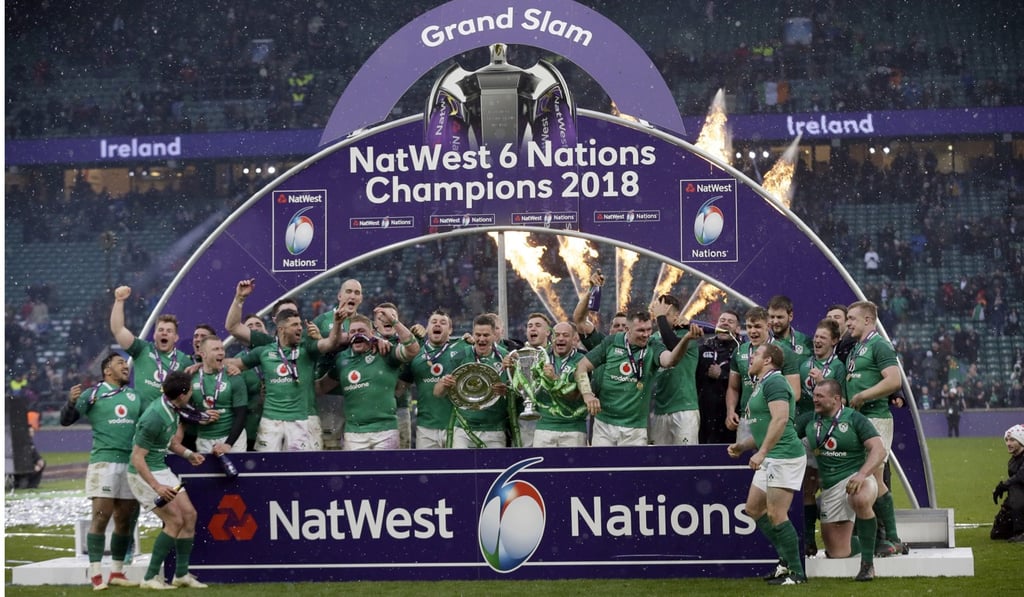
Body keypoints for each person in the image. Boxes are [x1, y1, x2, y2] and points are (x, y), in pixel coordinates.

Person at [60, 353, 143, 590]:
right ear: (107, 370)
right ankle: (96, 574)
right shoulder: (92, 394)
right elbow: (66, 420)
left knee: (124, 519)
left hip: (129, 463)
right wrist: (70, 402)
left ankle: (117, 572)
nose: (125, 367)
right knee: (100, 516)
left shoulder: (134, 395)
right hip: (104, 462)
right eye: (120, 364)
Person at [727, 344, 807, 585]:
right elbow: (765, 426)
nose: (751, 357)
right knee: (752, 509)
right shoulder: (762, 383)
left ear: (768, 360)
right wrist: (744, 446)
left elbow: (781, 419)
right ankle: (784, 562)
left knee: (776, 513)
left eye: (756, 355)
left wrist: (762, 452)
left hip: (784, 456)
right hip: (772, 454)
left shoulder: (775, 383)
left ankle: (797, 572)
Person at [233, 291, 349, 452]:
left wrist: (336, 325)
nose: (299, 327)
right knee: (269, 468)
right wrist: (239, 298)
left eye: (299, 322)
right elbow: (234, 329)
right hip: (272, 421)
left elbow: (330, 343)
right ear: (278, 324)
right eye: (294, 323)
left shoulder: (307, 344)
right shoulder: (265, 345)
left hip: (305, 417)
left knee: (303, 468)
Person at [796, 379, 886, 581]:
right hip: (829, 487)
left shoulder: (854, 418)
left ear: (836, 399)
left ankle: (868, 564)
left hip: (856, 478)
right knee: (838, 553)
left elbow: (878, 449)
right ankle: (865, 538)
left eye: (820, 396)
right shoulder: (808, 420)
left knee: (860, 499)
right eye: (814, 395)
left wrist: (862, 474)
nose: (815, 399)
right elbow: (787, 438)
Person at [126, 370, 209, 589]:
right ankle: (149, 578)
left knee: (189, 515)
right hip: (142, 474)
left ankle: (180, 575)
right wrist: (157, 486)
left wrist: (189, 455)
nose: (192, 393)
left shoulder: (173, 408)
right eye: (190, 390)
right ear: (182, 395)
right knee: (174, 521)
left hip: (159, 468)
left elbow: (169, 443)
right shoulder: (154, 416)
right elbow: (137, 457)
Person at [575, 311, 701, 447]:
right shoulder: (612, 342)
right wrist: (587, 395)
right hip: (604, 424)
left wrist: (686, 339)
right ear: (628, 330)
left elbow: (670, 360)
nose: (646, 334)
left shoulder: (653, 345)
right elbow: (581, 367)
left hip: (635, 428)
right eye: (641, 330)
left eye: (648, 330)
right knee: (603, 467)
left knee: (630, 468)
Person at [845, 300, 909, 556]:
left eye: (852, 318)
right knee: (871, 480)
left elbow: (894, 380)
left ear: (868, 320)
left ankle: (890, 538)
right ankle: (886, 538)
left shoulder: (879, 344)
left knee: (874, 478)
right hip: (859, 420)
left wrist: (864, 396)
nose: (848, 322)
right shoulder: (856, 348)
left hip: (876, 419)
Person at [316, 310, 419, 450]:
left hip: (386, 430)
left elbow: (413, 350)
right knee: (357, 472)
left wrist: (395, 322)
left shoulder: (386, 352)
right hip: (354, 433)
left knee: (386, 471)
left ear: (372, 333)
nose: (357, 334)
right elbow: (322, 386)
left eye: (361, 330)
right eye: (353, 332)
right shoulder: (342, 359)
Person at [797, 318, 847, 556]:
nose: (817, 340)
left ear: (834, 341)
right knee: (807, 487)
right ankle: (808, 540)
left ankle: (839, 539)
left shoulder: (838, 366)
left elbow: (842, 401)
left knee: (828, 486)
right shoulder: (804, 364)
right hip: (808, 432)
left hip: (830, 434)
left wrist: (822, 384)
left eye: (823, 337)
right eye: (816, 336)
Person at [726, 307, 801, 447]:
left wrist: (772, 410)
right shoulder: (740, 351)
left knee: (771, 460)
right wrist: (730, 411)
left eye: (757, 326)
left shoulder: (783, 352)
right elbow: (733, 387)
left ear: (768, 326)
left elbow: (795, 393)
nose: (752, 331)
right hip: (746, 419)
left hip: (771, 418)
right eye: (749, 327)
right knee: (745, 464)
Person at [434, 314, 511, 448]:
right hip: (464, 428)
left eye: (486, 335)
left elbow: (517, 391)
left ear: (494, 335)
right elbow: (437, 393)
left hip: (495, 429)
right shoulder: (461, 356)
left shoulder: (505, 357)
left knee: (494, 469)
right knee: (462, 468)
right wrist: (444, 384)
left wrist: (507, 390)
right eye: (478, 335)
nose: (481, 339)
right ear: (473, 334)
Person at [110, 286, 191, 409]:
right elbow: (118, 330)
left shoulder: (184, 360)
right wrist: (119, 301)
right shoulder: (142, 349)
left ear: (176, 337)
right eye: (161, 330)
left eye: (169, 331)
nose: (164, 333)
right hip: (141, 419)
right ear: (154, 335)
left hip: (169, 420)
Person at [311, 278, 364, 449]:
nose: (353, 296)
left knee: (355, 449)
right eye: (349, 292)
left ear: (361, 299)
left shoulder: (364, 323)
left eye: (357, 293)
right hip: (330, 394)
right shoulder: (321, 321)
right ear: (339, 296)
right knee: (329, 446)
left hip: (358, 395)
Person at [396, 309, 456, 449]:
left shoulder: (460, 350)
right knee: (429, 470)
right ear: (427, 328)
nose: (438, 325)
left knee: (456, 469)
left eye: (443, 323)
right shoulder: (415, 353)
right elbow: (400, 388)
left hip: (456, 425)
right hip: (425, 427)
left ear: (451, 330)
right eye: (433, 322)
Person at [649, 295, 703, 445]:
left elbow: (672, 345)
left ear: (676, 317)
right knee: (659, 462)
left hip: (684, 409)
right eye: (658, 313)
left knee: (687, 460)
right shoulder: (653, 338)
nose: (660, 318)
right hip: (660, 409)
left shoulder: (688, 335)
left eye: (665, 314)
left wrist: (660, 317)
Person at [532, 322, 589, 447]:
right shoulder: (539, 359)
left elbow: (577, 396)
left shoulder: (583, 361)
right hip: (544, 427)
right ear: (552, 338)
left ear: (574, 339)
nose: (561, 338)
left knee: (573, 467)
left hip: (573, 429)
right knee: (542, 467)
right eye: (557, 335)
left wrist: (554, 379)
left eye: (565, 335)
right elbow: (529, 388)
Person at [191, 336, 248, 454]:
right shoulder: (192, 377)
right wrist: (198, 417)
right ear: (203, 354)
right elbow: (181, 410)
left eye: (222, 349)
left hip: (232, 439)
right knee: (208, 473)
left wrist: (228, 444)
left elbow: (241, 415)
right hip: (204, 439)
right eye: (215, 349)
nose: (221, 352)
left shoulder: (233, 376)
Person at [370, 302, 414, 448]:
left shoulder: (408, 343)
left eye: (392, 316)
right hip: (372, 410)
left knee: (401, 457)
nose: (387, 319)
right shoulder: (365, 344)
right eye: (382, 317)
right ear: (374, 324)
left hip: (399, 409)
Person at [695, 309, 741, 444]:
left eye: (730, 322)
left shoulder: (743, 351)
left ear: (738, 329)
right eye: (722, 321)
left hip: (731, 415)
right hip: (705, 415)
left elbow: (746, 383)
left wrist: (722, 375)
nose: (725, 324)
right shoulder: (703, 349)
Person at [991, 424, 1024, 542]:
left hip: (1020, 497)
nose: (1008, 443)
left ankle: (1021, 532)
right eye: (1007, 440)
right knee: (997, 533)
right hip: (1019, 497)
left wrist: (1003, 486)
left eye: (1012, 440)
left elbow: (1020, 477)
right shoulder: (1014, 459)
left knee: (1015, 488)